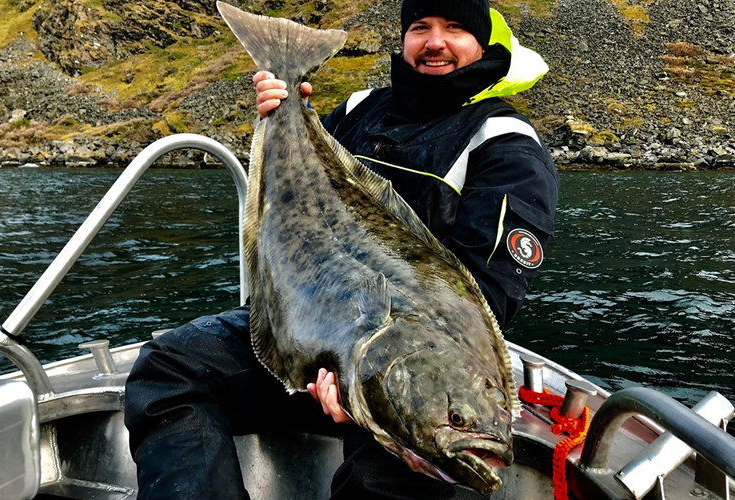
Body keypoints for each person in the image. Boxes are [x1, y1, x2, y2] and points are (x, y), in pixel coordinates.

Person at [124, 0, 559, 498]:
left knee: (408, 454)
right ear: (404, 41)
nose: (435, 41)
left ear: (482, 45)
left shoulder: (504, 144)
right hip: (304, 334)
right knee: (171, 366)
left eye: (454, 28)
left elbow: (486, 296)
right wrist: (281, 108)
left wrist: (361, 379)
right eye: (421, 27)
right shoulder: (359, 108)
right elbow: (289, 191)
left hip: (393, 369)